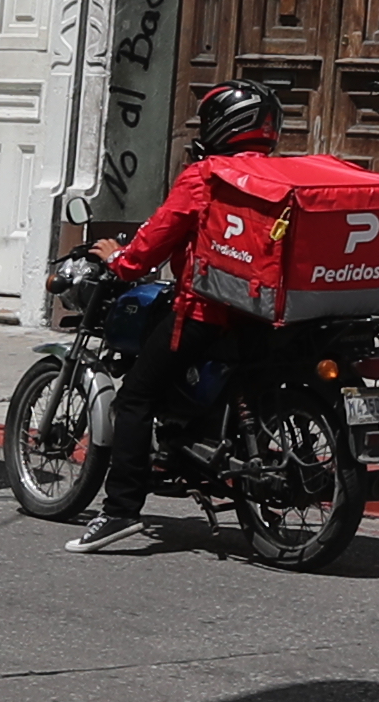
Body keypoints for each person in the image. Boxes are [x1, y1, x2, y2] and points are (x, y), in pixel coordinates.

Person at [66, 72, 316, 553]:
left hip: (209, 315)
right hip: (270, 320)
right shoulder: (283, 178)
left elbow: (155, 241)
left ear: (222, 124)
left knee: (133, 399)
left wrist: (118, 261)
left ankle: (119, 511)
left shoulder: (207, 178)